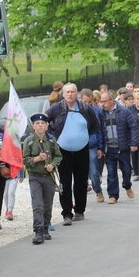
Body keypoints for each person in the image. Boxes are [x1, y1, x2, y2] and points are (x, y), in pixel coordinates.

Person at [46, 83, 100, 225]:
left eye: (72, 92)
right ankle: (67, 214)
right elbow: (45, 121)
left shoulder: (85, 108)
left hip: (82, 150)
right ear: (63, 94)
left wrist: (84, 135)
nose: (70, 94)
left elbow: (95, 124)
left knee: (81, 182)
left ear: (77, 93)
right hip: (62, 151)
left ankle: (79, 211)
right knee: (65, 182)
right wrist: (53, 134)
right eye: (67, 92)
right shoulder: (56, 108)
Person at [23, 113, 62, 244]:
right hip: (35, 177)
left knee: (47, 204)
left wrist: (52, 165)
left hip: (48, 177)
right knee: (37, 205)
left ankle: (45, 227)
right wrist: (37, 159)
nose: (40, 125)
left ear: (47, 126)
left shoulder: (51, 140)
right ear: (33, 126)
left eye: (42, 123)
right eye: (37, 123)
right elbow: (25, 160)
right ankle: (38, 231)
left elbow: (58, 156)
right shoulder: (28, 141)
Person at [100, 91, 139, 203]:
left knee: (126, 170)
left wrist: (133, 143)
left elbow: (133, 127)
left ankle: (127, 186)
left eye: (104, 101)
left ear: (112, 100)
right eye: (101, 101)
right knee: (111, 172)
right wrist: (101, 147)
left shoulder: (124, 111)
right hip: (109, 148)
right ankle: (113, 195)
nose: (102, 104)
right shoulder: (101, 114)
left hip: (123, 147)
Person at [80, 88, 105, 202]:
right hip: (78, 145)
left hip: (92, 144)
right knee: (79, 173)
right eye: (85, 102)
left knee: (94, 171)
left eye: (89, 102)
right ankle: (79, 196)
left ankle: (98, 190)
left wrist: (100, 147)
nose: (87, 104)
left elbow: (99, 130)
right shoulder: (75, 110)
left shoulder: (96, 111)